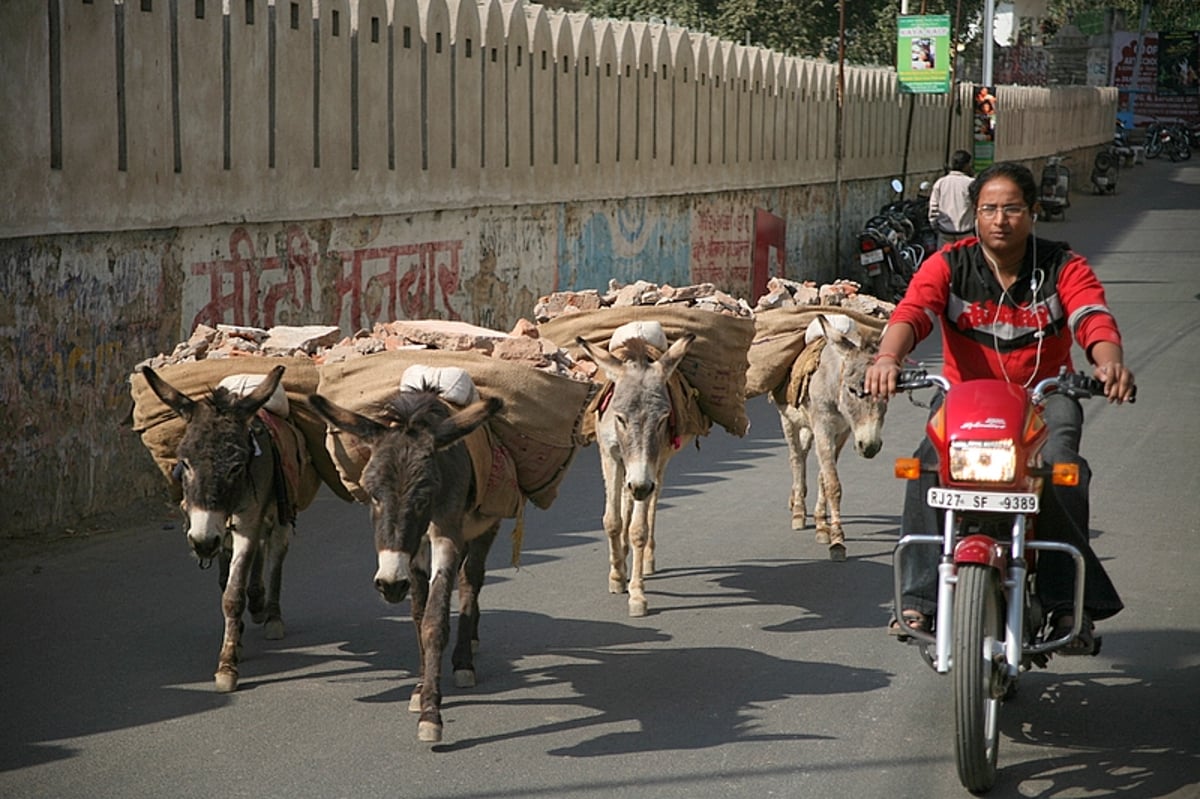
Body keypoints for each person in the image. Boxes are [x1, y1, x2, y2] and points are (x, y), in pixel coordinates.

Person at [864, 161, 1136, 654]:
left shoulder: (1061, 266)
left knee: (1059, 468)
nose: (1000, 219)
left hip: (1044, 398)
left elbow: (1091, 316)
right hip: (965, 401)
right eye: (989, 208)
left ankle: (1063, 603)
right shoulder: (948, 264)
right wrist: (887, 358)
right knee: (925, 465)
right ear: (974, 214)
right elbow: (913, 312)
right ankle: (919, 597)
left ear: (1032, 212)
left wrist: (1109, 362)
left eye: (1012, 208)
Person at [928, 150, 975, 246]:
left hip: (945, 233)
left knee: (945, 260)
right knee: (967, 260)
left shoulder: (941, 183)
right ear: (966, 165)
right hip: (966, 234)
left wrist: (936, 226)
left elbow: (933, 208)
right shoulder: (971, 183)